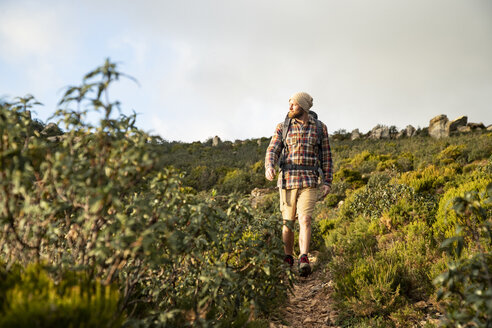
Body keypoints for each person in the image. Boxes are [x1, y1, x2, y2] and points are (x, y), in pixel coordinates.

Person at [265, 92, 333, 277]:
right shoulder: (283, 127)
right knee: (288, 223)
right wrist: (269, 166)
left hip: (309, 181)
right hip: (287, 181)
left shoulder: (319, 128)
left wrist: (327, 181)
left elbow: (326, 157)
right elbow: (272, 149)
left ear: (303, 107)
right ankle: (288, 257)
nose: (290, 108)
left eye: (293, 105)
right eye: (290, 104)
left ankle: (303, 257)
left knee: (305, 219)